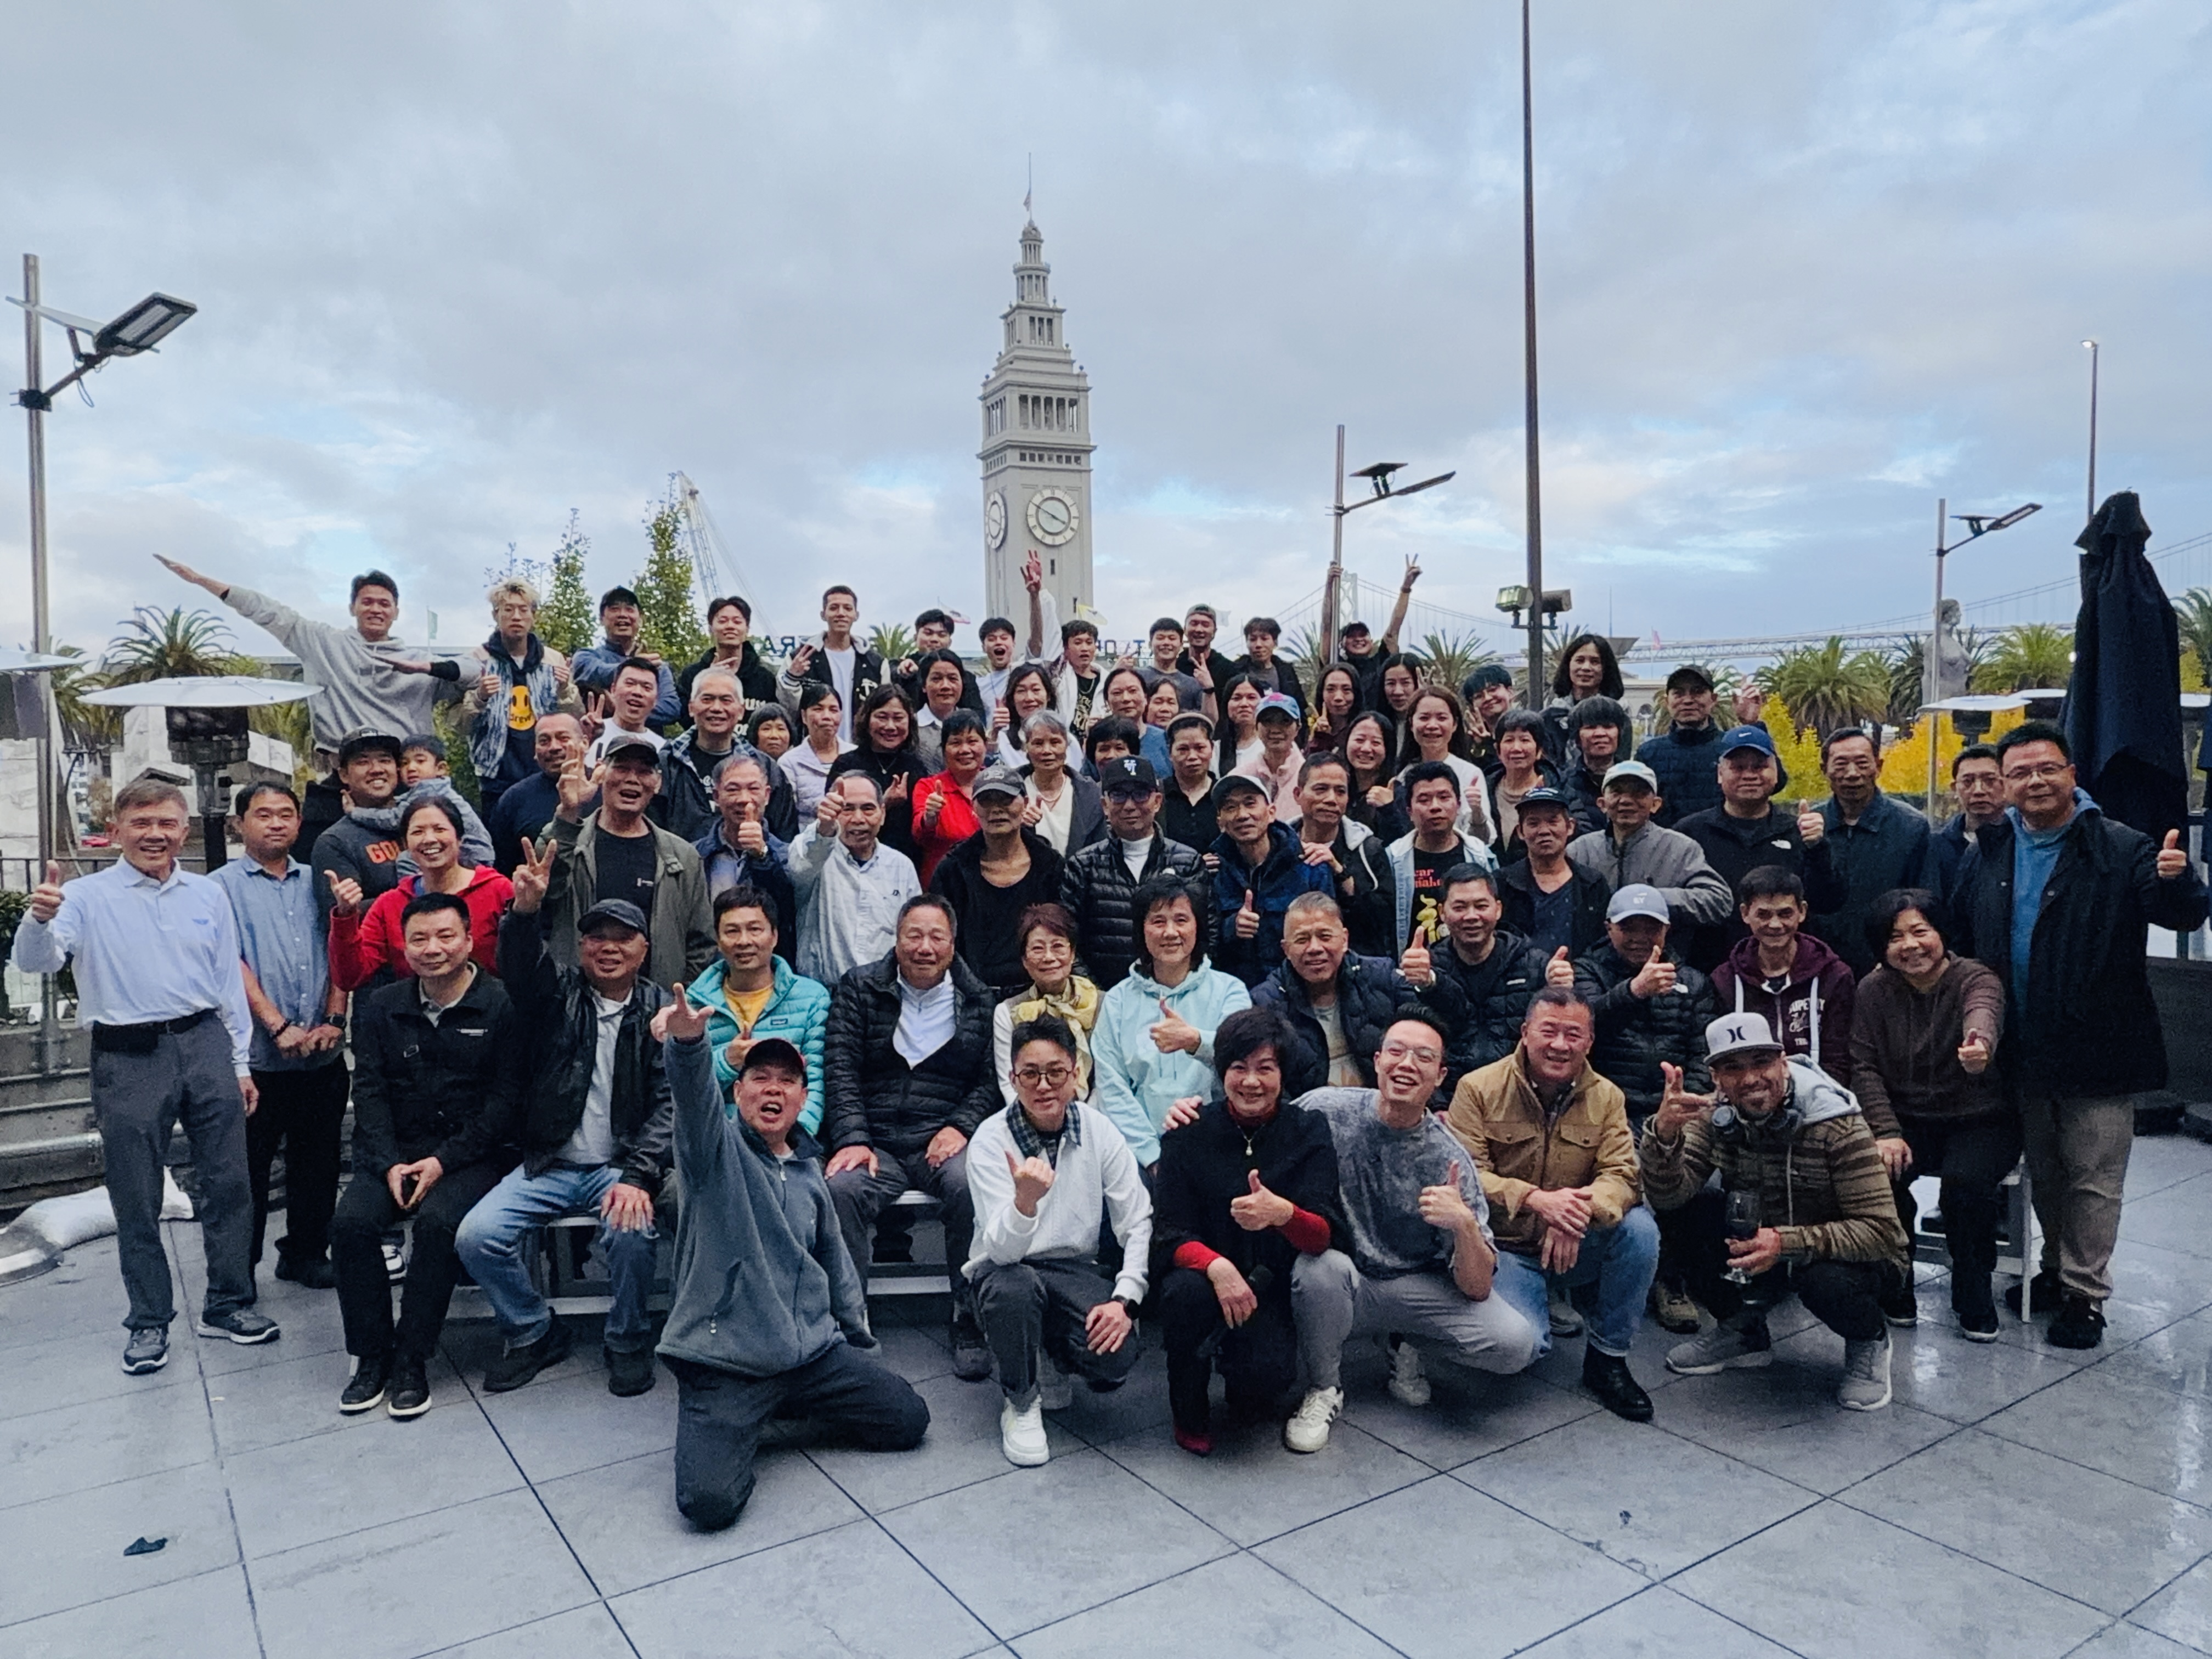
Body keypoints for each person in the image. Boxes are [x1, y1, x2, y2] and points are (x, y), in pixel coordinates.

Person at [1951, 720, 2208, 1347]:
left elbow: (2177, 912)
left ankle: (2085, 1298)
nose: (2035, 780)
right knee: (2047, 1170)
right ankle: (2056, 1274)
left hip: (2101, 1046)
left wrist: (2182, 881)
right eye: (2021, 773)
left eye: (2047, 768)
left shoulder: (2120, 847)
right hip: (2022, 1047)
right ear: (2005, 786)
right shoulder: (1988, 848)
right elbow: (1960, 929)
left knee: (2094, 1178)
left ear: (2072, 775)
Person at [13, 780, 275, 1372]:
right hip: (128, 1054)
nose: (155, 834)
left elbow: (227, 981)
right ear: (118, 829)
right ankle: (149, 1321)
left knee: (230, 1182)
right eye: (141, 823)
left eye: (167, 823)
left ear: (185, 830)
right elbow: (37, 963)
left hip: (205, 1042)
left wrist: (239, 1061)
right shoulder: (84, 897)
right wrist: (38, 919)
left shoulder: (207, 895)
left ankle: (230, 1304)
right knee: (137, 1195)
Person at [652, 998, 929, 1532]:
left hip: (809, 1356)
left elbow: (837, 1271)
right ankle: (742, 1418)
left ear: (803, 1099)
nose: (773, 1089)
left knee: (907, 1419)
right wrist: (688, 1047)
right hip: (727, 1363)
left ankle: (776, 1410)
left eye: (787, 1081)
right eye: (760, 1078)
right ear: (737, 1091)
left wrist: (861, 1352)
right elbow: (692, 1101)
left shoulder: (810, 1175)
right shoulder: (714, 1154)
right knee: (707, 1505)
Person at [455, 866, 674, 1398]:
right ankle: (534, 1330)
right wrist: (523, 913)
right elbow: (521, 969)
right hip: (550, 1162)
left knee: (630, 1231)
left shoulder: (661, 1010)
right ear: (580, 947)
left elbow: (671, 1106)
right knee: (477, 1237)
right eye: (597, 936)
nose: (609, 947)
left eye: (624, 938)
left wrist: (639, 1176)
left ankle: (626, 1340)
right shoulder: (555, 998)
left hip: (619, 1166)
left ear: (644, 949)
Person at [1286, 1014, 1540, 1451]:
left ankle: (1406, 1344)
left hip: (1416, 1289)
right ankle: (1325, 1388)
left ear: (1440, 1076)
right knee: (1318, 1269)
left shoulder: (1449, 1158)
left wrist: (1462, 1224)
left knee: (1515, 1344)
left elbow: (1478, 1288)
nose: (1407, 1065)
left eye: (1424, 1058)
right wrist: (1192, 1117)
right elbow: (1260, 1131)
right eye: (1397, 1051)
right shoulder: (1325, 1109)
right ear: (1378, 1059)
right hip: (1349, 1281)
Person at [1642, 1012, 1910, 1411]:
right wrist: (1663, 1137)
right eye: (1733, 1067)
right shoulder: (1715, 1116)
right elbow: (1669, 1197)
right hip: (1762, 1249)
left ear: (1783, 1062)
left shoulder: (1838, 1125)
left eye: (1761, 1063)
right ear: (1715, 1078)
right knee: (1684, 1214)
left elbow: (1884, 1232)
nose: (1750, 1078)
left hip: (1850, 1261)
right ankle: (1742, 1332)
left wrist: (1786, 1243)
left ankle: (1868, 1340)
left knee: (1825, 1281)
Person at [330, 892, 522, 1417]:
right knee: (351, 1225)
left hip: (471, 1157)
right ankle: (372, 1355)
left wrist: (442, 1162)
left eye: (445, 936)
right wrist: (390, 1161)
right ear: (403, 944)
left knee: (440, 1226)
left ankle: (413, 1358)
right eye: (419, 938)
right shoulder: (381, 1006)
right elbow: (368, 1091)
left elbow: (504, 1102)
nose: (432, 949)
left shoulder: (502, 1004)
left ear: (467, 940)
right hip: (393, 1154)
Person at [1448, 989, 1659, 1420]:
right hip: (1504, 1248)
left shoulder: (1608, 1097)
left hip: (1574, 1240)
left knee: (1640, 1230)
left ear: (1589, 1042)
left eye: (1573, 1034)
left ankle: (1608, 1359)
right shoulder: (1478, 1088)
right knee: (1524, 1347)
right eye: (1549, 1031)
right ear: (1526, 1034)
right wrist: (1536, 1200)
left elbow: (1622, 1176)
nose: (1560, 1045)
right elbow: (1468, 1178)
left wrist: (1577, 1210)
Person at [155, 557, 462, 847]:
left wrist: (431, 669)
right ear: (353, 607)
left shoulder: (422, 662)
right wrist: (203, 582)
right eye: (367, 602)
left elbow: (475, 675)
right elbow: (271, 613)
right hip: (337, 788)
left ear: (396, 611)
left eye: (385, 604)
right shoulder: (322, 643)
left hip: (404, 786)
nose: (376, 609)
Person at [1150, 1005, 1345, 1454]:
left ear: (1284, 1073)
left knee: (1263, 1388)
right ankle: (1188, 1406)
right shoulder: (1188, 1132)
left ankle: (1242, 1366)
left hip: (1271, 1287)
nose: (1251, 1082)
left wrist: (1283, 1214)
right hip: (1202, 1279)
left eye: (1266, 1068)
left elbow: (1324, 1237)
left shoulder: (1309, 1130)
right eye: (1239, 1068)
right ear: (1221, 1072)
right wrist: (1216, 1267)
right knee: (1182, 1294)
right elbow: (1168, 1234)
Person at [822, 895, 1002, 1376]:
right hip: (874, 1137)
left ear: (952, 942)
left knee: (971, 1185)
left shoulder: (980, 998)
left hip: (940, 1137)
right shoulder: (860, 988)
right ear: (897, 939)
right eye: (914, 936)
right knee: (841, 1188)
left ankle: (969, 1317)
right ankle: (848, 1321)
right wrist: (853, 1137)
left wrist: (960, 1127)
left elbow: (991, 1082)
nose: (924, 947)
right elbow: (839, 1069)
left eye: (936, 936)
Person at [967, 1015, 1154, 1466]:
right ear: (1013, 1079)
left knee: (1116, 1354)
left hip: (1072, 1271)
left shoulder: (1099, 1130)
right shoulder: (990, 1141)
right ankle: (1022, 1401)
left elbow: (1138, 1221)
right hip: (1004, 1271)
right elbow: (1002, 1252)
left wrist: (1125, 1298)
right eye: (1030, 1074)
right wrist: (1024, 1205)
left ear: (1076, 1074)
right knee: (1014, 1287)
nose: (1044, 1085)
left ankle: (1048, 1351)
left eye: (1056, 1072)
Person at [1850, 888, 2013, 1339]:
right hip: (1905, 1119)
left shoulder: (1975, 978)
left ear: (1941, 933)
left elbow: (1984, 1013)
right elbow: (1863, 1066)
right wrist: (1884, 1130)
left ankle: (1974, 1291)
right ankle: (1895, 1284)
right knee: (1876, 1176)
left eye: (1920, 931)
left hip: (1978, 1116)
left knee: (1965, 1187)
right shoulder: (1873, 989)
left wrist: (1979, 1046)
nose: (1910, 946)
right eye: (1895, 937)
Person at [213, 783, 349, 1290]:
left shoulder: (321, 880)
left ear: (299, 823)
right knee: (246, 1174)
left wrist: (333, 1020)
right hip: (256, 1062)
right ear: (240, 823)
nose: (276, 824)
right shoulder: (220, 887)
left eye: (286, 815)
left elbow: (343, 946)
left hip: (320, 1052)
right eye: (263, 814)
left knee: (318, 1163)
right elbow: (230, 963)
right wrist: (277, 1025)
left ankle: (306, 1253)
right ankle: (238, 1273)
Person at [1091, 876, 1254, 1170]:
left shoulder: (1230, 990)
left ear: (1198, 926)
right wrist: (1153, 1158)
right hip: (1137, 1156)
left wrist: (1195, 1041)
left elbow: (1244, 1061)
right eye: (1157, 921)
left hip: (1219, 1143)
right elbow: (1112, 1088)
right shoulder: (1117, 1001)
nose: (1170, 932)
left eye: (1181, 920)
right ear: (1141, 930)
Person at [539, 738, 716, 988]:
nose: (632, 779)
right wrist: (568, 811)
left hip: (655, 1013)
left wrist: (677, 1000)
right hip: (574, 1007)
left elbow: (702, 942)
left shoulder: (683, 857)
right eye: (622, 768)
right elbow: (544, 894)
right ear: (601, 772)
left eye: (644, 771)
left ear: (658, 783)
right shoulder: (568, 838)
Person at [1674, 725, 1846, 973]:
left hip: (1788, 975)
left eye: (1759, 766)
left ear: (1776, 772)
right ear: (1720, 774)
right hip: (1711, 975)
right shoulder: (1689, 834)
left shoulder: (1800, 832)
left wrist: (1818, 848)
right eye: (1738, 767)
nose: (1750, 775)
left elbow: (1829, 902)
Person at [327, 796, 512, 991]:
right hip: (415, 1017)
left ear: (459, 838)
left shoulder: (498, 890)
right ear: (406, 844)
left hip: (491, 1014)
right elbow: (350, 977)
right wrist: (345, 917)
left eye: (439, 830)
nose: (429, 839)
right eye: (418, 832)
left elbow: (523, 963)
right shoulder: (390, 904)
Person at [688, 884, 834, 1132]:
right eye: (732, 931)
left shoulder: (811, 998)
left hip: (788, 1141)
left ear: (774, 936)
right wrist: (726, 1062)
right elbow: (684, 1087)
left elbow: (816, 1083)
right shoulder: (696, 1003)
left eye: (755, 930)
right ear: (718, 940)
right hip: (716, 1141)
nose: (744, 941)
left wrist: (793, 1142)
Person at [1058, 755, 1208, 990]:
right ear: (1105, 805)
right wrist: (1098, 996)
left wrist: (1181, 989)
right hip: (1103, 996)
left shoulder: (1187, 862)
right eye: (1118, 795)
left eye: (1140, 794)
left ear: (1157, 801)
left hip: (1177, 991)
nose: (1130, 805)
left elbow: (1208, 936)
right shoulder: (1083, 865)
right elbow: (1068, 940)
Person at [1573, 884, 1718, 1126]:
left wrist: (1683, 1101)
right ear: (1609, 928)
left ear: (1667, 930)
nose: (1639, 938)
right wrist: (1634, 991)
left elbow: (1703, 1051)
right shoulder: (1587, 971)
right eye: (1628, 928)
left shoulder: (1694, 982)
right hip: (1604, 1109)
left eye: (1651, 928)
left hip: (1679, 1109)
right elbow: (1585, 1029)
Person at [1403, 865, 1547, 1098]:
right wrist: (1437, 1106)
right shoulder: (1423, 969)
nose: (1471, 916)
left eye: (1481, 906)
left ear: (1498, 909)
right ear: (1442, 912)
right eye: (1460, 907)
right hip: (1450, 1099)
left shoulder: (1534, 964)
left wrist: (1561, 987)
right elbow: (1413, 1046)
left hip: (1521, 1097)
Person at [1254, 893, 1417, 1095]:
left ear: (1345, 940)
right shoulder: (1265, 1001)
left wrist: (1428, 982)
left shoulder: (1382, 977)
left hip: (1385, 1110)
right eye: (1302, 939)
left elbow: (1428, 1037)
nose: (1315, 948)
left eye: (1325, 936)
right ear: (1286, 949)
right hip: (1307, 1120)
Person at [1809, 727, 1936, 979]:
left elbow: (1926, 902)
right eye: (1841, 764)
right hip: (1822, 969)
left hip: (1891, 969)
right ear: (1825, 770)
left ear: (1878, 766)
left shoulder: (1911, 827)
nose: (1852, 774)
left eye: (1862, 763)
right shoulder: (1812, 825)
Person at [1709, 866, 1855, 1084]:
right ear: (1745, 914)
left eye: (1785, 913)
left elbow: (1839, 1059)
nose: (1775, 924)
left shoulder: (1835, 976)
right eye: (1764, 915)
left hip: (1821, 1099)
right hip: (1749, 1094)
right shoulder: (1724, 980)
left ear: (1802, 911)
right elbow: (1722, 1060)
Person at [931, 765, 1064, 996]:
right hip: (970, 996)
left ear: (1024, 802)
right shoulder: (952, 870)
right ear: (974, 808)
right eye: (987, 801)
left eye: (1006, 799)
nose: (997, 809)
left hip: (1039, 994)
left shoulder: (1050, 866)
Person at [1350, 759, 1499, 962]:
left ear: (1458, 804)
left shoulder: (1482, 856)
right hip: (1410, 970)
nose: (1435, 807)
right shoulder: (1390, 859)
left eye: (1444, 797)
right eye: (1424, 800)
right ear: (1409, 810)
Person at [1566, 761, 1733, 929]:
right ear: (1602, 804)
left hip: (1662, 952)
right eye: (1617, 792)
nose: (1625, 800)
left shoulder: (1680, 849)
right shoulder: (1580, 851)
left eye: (1638, 793)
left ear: (1655, 804)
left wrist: (1653, 899)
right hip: (1591, 954)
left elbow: (1719, 900)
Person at [789, 774, 922, 984]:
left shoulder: (901, 866)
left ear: (883, 813)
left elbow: (914, 931)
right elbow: (799, 867)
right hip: (825, 994)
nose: (858, 819)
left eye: (868, 809)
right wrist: (824, 827)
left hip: (884, 995)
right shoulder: (815, 854)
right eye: (847, 809)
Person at [460, 577, 579, 809]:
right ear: (496, 615)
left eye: (523, 610)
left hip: (546, 770)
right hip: (496, 773)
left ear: (533, 615)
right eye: (509, 609)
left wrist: (565, 689)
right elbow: (460, 724)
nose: (516, 616)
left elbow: (574, 718)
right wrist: (480, 697)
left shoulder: (553, 660)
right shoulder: (478, 661)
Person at [1211, 772, 1333, 986]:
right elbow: (1201, 940)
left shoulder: (1309, 866)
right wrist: (1231, 928)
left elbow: (1327, 932)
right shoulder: (1212, 871)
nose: (1242, 815)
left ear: (1271, 812)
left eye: (1250, 804)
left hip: (1297, 989)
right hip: (1235, 992)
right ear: (1220, 821)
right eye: (1230, 807)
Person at [656, 667, 799, 844]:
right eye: (707, 699)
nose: (716, 708)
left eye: (726, 700)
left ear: (741, 711)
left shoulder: (767, 769)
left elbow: (786, 838)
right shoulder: (667, 763)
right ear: (691, 708)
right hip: (680, 869)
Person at [991, 904, 1103, 1102]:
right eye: (1037, 949)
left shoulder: (1104, 1005)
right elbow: (1009, 1084)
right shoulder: (1008, 1012)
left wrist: (1083, 1120)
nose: (1049, 957)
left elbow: (1107, 1080)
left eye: (1058, 947)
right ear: (1025, 960)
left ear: (1073, 953)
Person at [691, 752, 798, 949]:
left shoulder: (788, 855)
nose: (744, 799)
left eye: (753, 789)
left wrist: (762, 857)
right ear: (717, 796)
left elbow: (788, 915)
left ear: (766, 795)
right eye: (733, 790)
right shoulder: (695, 855)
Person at [1497, 786, 1612, 962]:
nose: (1544, 831)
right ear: (1520, 831)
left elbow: (1603, 945)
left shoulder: (1593, 884)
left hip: (1582, 982)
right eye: (1533, 823)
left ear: (1570, 827)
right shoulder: (1502, 884)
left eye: (1553, 821)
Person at [309, 727, 407, 927]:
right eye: (363, 762)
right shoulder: (335, 842)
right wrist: (417, 895)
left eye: (385, 760)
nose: (377, 769)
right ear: (344, 775)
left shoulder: (425, 820)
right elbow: (337, 918)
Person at [827, 683, 929, 866]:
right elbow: (833, 821)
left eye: (898, 718)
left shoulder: (915, 766)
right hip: (849, 862)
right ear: (867, 720)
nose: (890, 726)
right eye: (882, 717)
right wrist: (884, 805)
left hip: (904, 864)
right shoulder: (846, 764)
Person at [778, 583, 888, 746]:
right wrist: (793, 676)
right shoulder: (801, 657)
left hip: (863, 753)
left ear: (856, 615)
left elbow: (885, 710)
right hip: (815, 753)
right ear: (823, 614)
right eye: (834, 608)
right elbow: (788, 708)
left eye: (848, 608)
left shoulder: (876, 663)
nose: (841, 614)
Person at [1635, 664, 1739, 826]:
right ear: (1667, 702)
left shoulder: (1732, 748)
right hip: (1666, 849)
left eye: (1698, 692)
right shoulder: (1648, 754)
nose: (1688, 700)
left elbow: (1774, 783)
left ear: (1713, 699)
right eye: (1679, 693)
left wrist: (1752, 724)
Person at [1295, 752, 1381, 941]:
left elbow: (1382, 923)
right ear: (1298, 794)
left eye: (1340, 791)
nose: (1331, 799)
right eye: (1321, 789)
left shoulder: (1370, 850)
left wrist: (1339, 872)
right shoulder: (1278, 846)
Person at [486, 712, 585, 874]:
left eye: (563, 738)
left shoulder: (607, 789)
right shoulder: (514, 799)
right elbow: (501, 866)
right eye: (544, 741)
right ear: (535, 750)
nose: (554, 747)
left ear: (585, 743)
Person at [1393, 687, 1494, 843]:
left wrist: (1477, 813)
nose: (1432, 725)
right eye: (1424, 718)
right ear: (1411, 724)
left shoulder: (1470, 774)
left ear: (1454, 725)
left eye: (1441, 718)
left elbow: (1485, 841)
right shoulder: (1400, 776)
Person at [573, 586, 680, 728]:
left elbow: (671, 709)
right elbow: (596, 672)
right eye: (615, 609)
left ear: (640, 619)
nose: (622, 615)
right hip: (599, 745)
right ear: (601, 619)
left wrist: (623, 710)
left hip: (647, 747)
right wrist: (636, 665)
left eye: (629, 609)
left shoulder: (658, 667)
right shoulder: (586, 657)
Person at [911, 710, 991, 884]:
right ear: (944, 749)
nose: (965, 750)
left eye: (972, 741)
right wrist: (930, 817)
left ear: (985, 745)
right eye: (955, 743)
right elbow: (921, 838)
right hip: (945, 884)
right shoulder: (928, 787)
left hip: (991, 883)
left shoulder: (997, 784)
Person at [1015, 709, 1104, 855]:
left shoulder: (1089, 792)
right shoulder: (1011, 790)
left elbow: (1099, 848)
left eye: (1055, 742)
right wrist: (1016, 823)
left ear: (1067, 745)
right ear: (1026, 748)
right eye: (1038, 743)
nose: (1047, 751)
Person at [674, 594, 779, 716]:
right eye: (723, 621)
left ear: (747, 629)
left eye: (737, 622)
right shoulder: (692, 675)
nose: (730, 626)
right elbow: (686, 719)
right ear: (711, 629)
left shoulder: (765, 678)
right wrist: (708, 680)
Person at [1929, 743, 2006, 907]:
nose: (1978, 790)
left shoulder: (2023, 843)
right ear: (1954, 789)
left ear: (2006, 783)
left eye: (1990, 781)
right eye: (1968, 782)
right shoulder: (1935, 846)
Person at [1542, 633, 1626, 763]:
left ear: (1606, 668)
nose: (1586, 668)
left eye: (1595, 662)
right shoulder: (1550, 718)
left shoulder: (1619, 715)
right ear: (1568, 665)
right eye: (1580, 661)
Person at [1555, 696, 1633, 837]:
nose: (1600, 734)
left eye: (1608, 727)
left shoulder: (1636, 782)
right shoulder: (1562, 784)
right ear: (1577, 738)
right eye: (1590, 727)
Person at [581, 656, 676, 768]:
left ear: (656, 699)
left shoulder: (663, 749)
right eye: (630, 684)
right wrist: (585, 737)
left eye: (647, 688)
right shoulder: (588, 734)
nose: (637, 692)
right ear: (613, 690)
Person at [1488, 708, 1558, 859]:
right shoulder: (1483, 789)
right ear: (1498, 751)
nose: (1516, 748)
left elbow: (1576, 831)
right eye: (1509, 740)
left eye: (1525, 740)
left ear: (1539, 750)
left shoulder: (1558, 788)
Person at [1340, 711, 1412, 844]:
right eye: (1359, 740)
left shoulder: (1399, 794)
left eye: (1376, 743)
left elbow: (1405, 845)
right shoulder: (1338, 789)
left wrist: (1388, 809)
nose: (1366, 749)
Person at [784, 682, 851, 820]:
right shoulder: (789, 763)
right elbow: (787, 818)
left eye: (833, 710)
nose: (827, 716)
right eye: (818, 709)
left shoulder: (856, 755)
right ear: (804, 716)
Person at [1235, 692, 1306, 821]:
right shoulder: (1240, 776)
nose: (1275, 730)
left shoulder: (1308, 778)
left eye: (1285, 721)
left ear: (1298, 728)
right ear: (1256, 727)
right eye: (1268, 721)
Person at [1159, 712, 1220, 853]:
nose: (1192, 756)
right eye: (1183, 749)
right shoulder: (1157, 795)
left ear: (1212, 749)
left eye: (1200, 748)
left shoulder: (1224, 794)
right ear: (1170, 753)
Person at [1098, 662, 1173, 775]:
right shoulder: (1099, 739)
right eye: (1117, 693)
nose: (1126, 699)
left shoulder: (1164, 738)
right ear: (1107, 702)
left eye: (1133, 691)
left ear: (1146, 698)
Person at [909, 649, 975, 774]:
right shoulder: (910, 726)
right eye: (936, 679)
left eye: (952, 679)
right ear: (924, 685)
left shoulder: (973, 725)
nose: (946, 686)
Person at [1227, 615, 1307, 719]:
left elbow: (1299, 708)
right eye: (1253, 639)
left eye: (1265, 639)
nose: (1258, 645)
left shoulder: (1287, 673)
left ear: (1275, 643)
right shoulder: (1234, 671)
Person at [1177, 602, 1238, 719]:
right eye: (1194, 624)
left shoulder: (1229, 670)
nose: (1199, 629)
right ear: (1185, 630)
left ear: (1214, 632)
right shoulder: (1175, 666)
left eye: (1205, 625)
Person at [994, 662, 1057, 769]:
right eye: (1021, 691)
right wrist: (993, 736)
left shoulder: (1066, 741)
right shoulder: (1002, 741)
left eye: (1036, 690)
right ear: (1012, 699)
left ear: (1048, 695)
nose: (1029, 698)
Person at [1462, 663, 1520, 776]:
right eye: (1479, 696)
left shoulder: (1531, 729)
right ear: (1472, 707)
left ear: (1510, 692)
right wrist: (1482, 745)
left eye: (1493, 690)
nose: (1488, 698)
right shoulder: (1469, 742)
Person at [1214, 673, 1266, 776]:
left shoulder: (1270, 747)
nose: (1244, 704)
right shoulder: (1215, 750)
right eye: (1237, 698)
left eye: (1251, 698)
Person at [1307, 664, 1365, 755]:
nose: (1338, 697)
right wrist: (1321, 738)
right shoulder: (1308, 730)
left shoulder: (1364, 732)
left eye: (1346, 690)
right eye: (1331, 689)